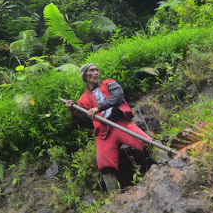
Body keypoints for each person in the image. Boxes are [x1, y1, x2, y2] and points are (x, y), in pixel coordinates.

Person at [65, 63, 153, 192]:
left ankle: (166, 163)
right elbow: (89, 123)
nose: (96, 73)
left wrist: (98, 108)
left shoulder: (109, 83)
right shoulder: (82, 100)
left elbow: (117, 97)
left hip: (120, 123)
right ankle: (113, 194)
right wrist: (73, 113)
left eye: (97, 70)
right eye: (92, 70)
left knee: (145, 142)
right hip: (104, 132)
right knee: (104, 163)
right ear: (85, 76)